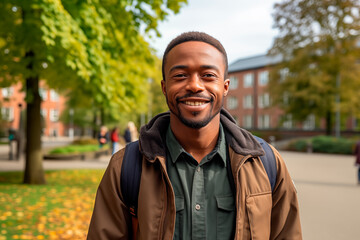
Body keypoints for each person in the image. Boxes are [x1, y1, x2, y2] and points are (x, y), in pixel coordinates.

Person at [88, 32, 302, 239]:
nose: (194, 85)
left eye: (208, 75)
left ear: (225, 87)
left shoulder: (266, 163)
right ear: (164, 87)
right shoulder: (126, 166)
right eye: (180, 75)